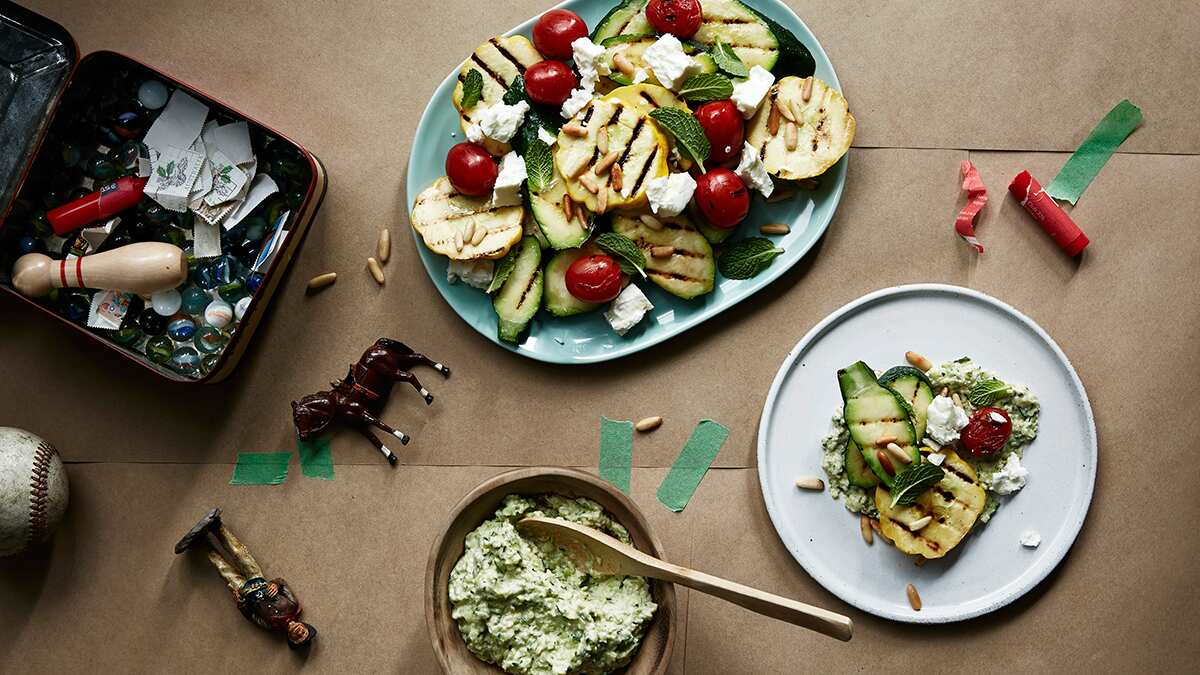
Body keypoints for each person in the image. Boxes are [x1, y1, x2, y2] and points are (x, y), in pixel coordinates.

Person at [175, 508, 316, 650]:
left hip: (244, 591)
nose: (298, 632)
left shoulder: (271, 625)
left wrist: (241, 604)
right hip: (257, 578)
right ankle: (218, 527)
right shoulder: (293, 606)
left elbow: (251, 617)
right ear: (305, 626)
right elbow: (282, 582)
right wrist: (275, 584)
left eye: (297, 637)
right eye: (302, 632)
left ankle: (201, 543)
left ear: (290, 638)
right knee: (239, 554)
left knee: (222, 568)